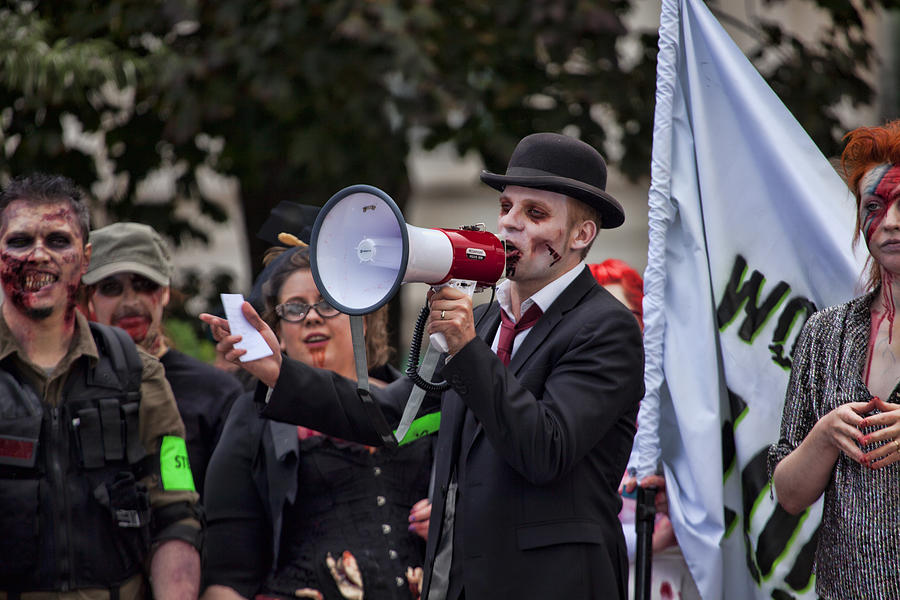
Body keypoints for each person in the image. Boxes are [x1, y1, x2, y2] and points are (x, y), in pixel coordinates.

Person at [202, 132, 645, 600]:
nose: (510, 224)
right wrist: (277, 371)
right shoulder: (483, 323)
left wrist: (466, 348)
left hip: (557, 585)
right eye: (506, 207)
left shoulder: (605, 328)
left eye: (535, 214)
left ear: (581, 235)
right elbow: (390, 418)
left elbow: (545, 449)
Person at [0, 174, 202, 599]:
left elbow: (176, 512)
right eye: (19, 242)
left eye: (58, 241)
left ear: (86, 258)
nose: (38, 256)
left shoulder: (141, 375)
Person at [202, 245, 433, 600]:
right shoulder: (252, 416)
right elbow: (228, 574)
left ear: (363, 317)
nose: (311, 317)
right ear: (276, 333)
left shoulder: (415, 398)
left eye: (328, 303)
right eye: (294, 309)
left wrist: (451, 519)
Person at [769, 120, 900, 599]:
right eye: (874, 207)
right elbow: (789, 495)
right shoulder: (826, 333)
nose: (889, 222)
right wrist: (823, 435)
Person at [82, 222, 244, 499]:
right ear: (88, 299)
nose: (130, 300)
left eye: (144, 284)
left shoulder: (217, 392)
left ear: (165, 291)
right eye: (111, 287)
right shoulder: (70, 385)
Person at [588, 259, 699, 600]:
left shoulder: (679, 403)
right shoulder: (567, 408)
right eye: (589, 321)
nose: (602, 334)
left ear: (644, 323)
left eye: (618, 318)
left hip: (661, 579)